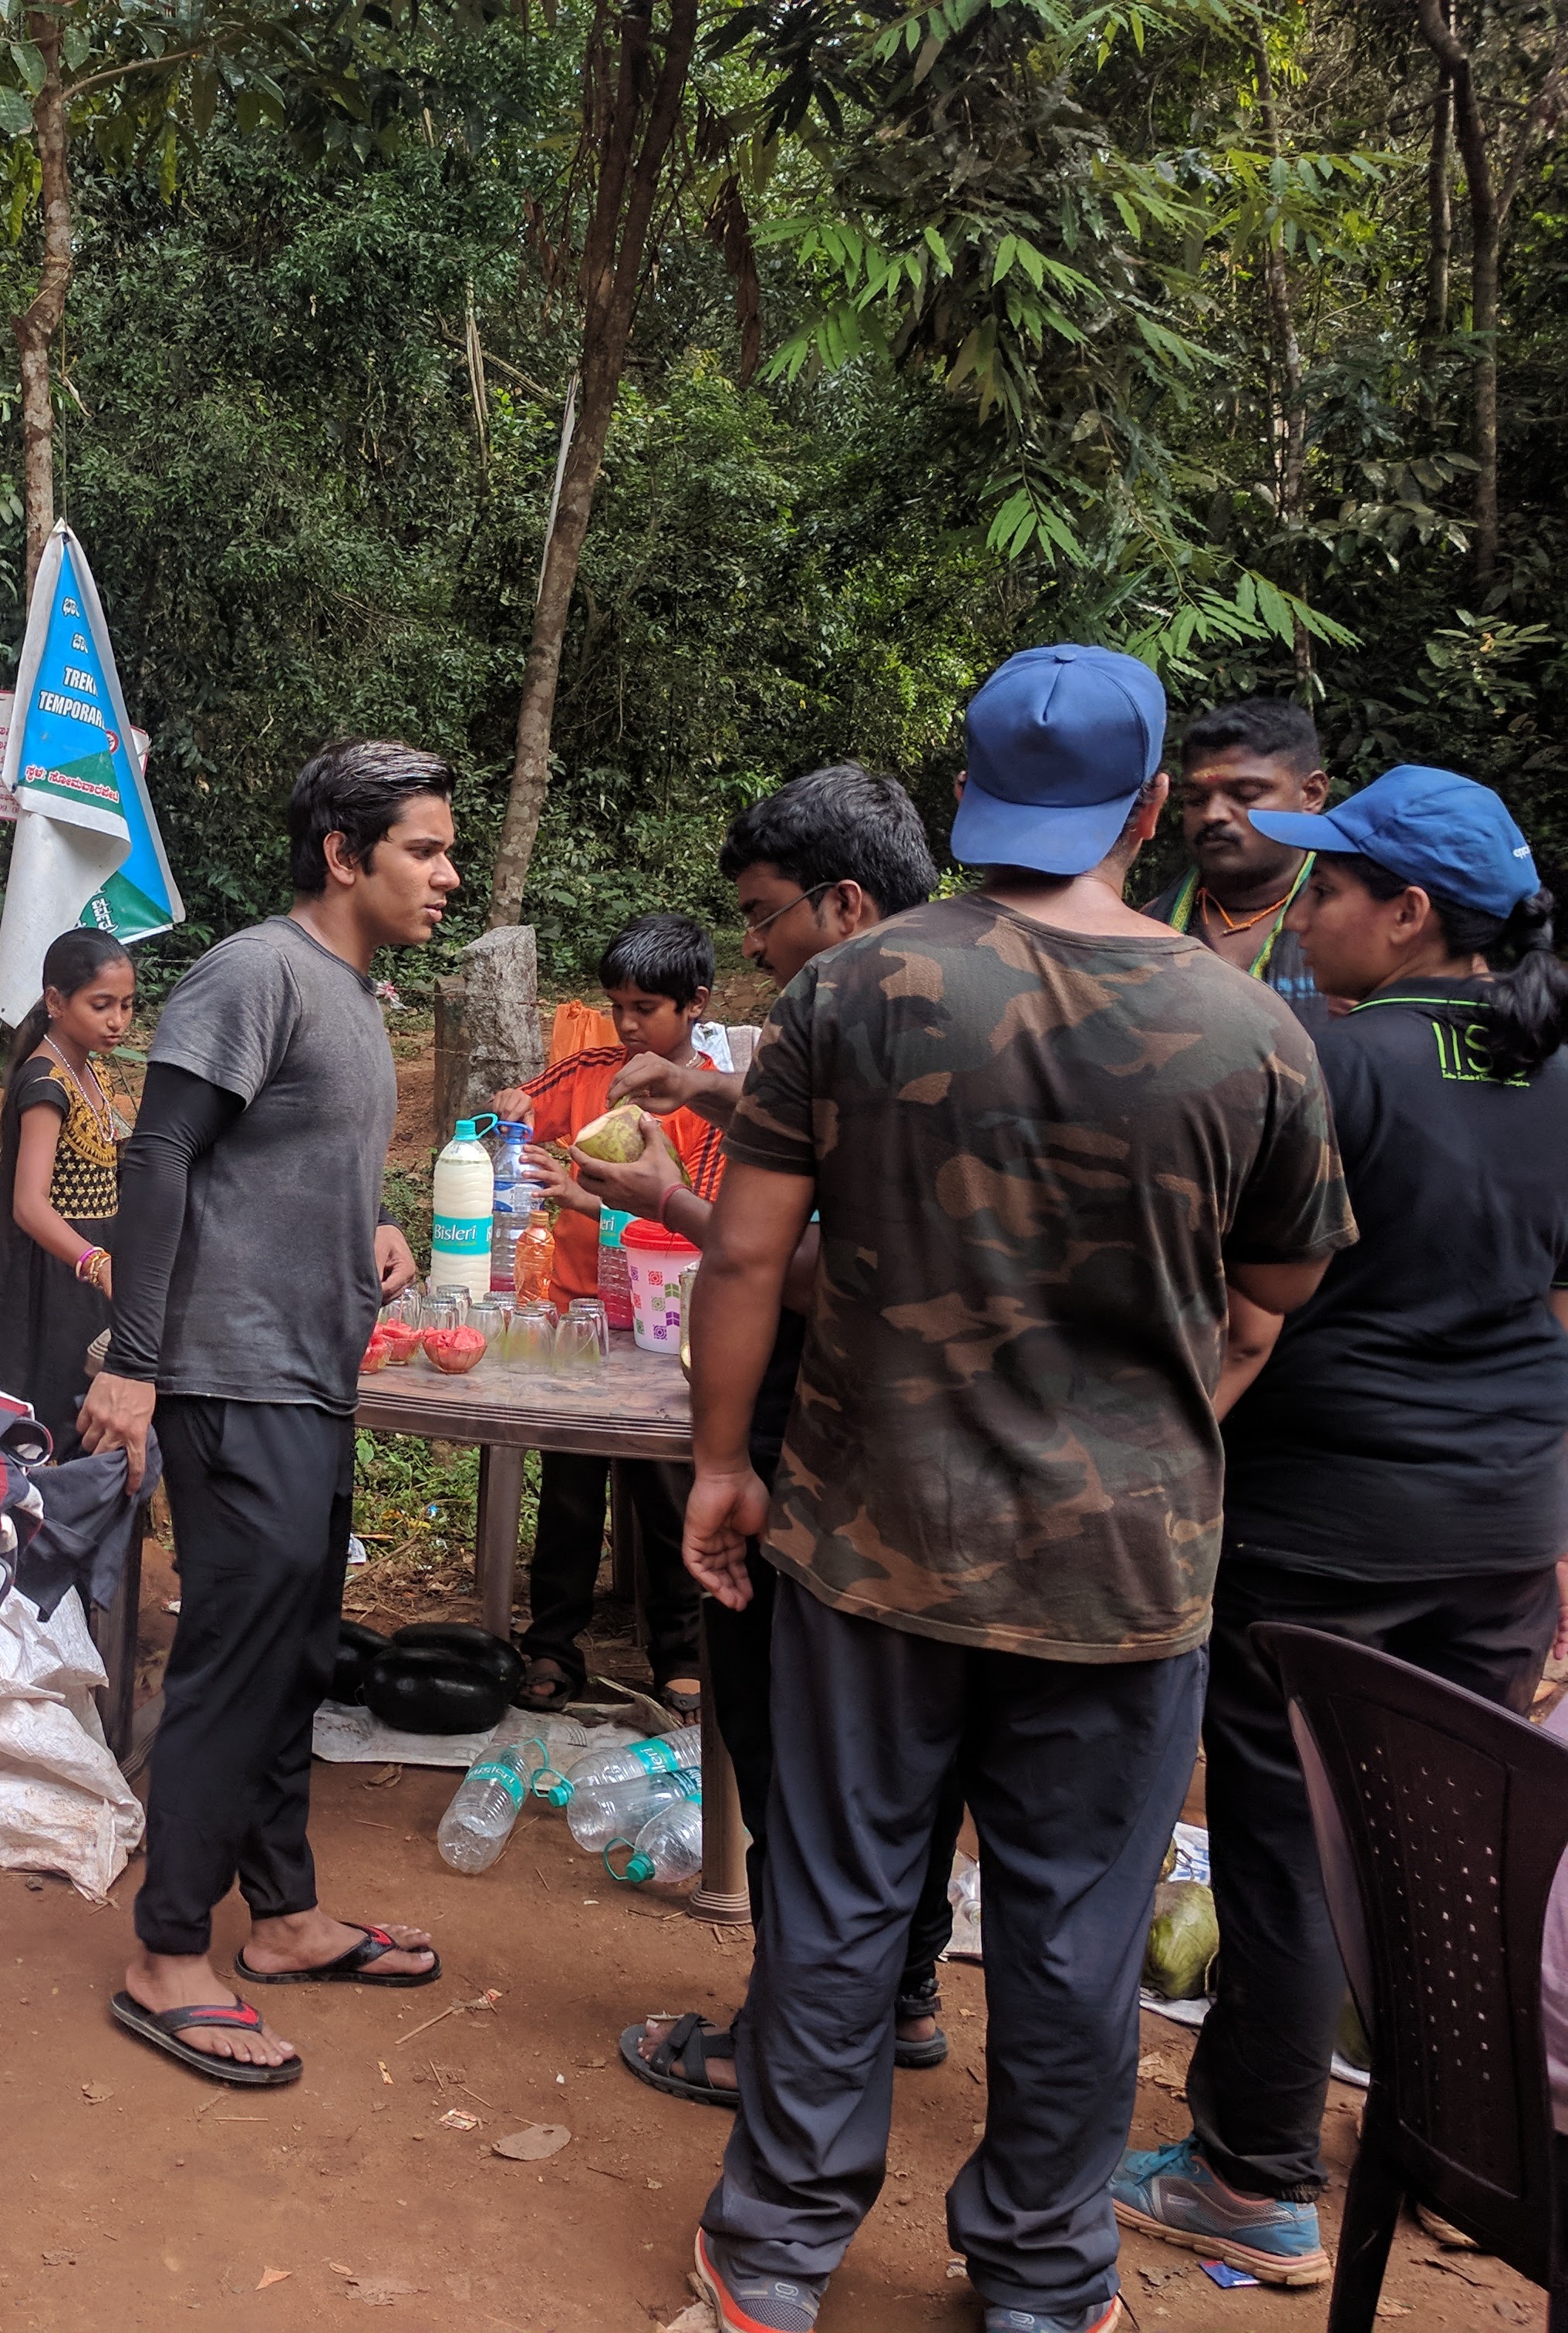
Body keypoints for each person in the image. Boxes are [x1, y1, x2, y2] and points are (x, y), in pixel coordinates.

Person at [678, 644, 1354, 2333]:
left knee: (839, 1900)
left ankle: (773, 2253)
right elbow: (1278, 1294)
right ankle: (1043, 2279)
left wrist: (716, 1468)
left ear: (969, 791)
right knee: (1071, 1936)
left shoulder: (853, 992)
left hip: (871, 1541)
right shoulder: (1253, 1032)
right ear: (1147, 810)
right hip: (1124, 1577)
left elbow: (748, 1254)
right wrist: (1158, 1419)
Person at [1111, 765, 1567, 2289]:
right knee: (1451, 1843)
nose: (1310, 914)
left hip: (1329, 1522)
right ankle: (1445, 2158)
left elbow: (1234, 1294)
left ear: (1410, 912)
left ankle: (1249, 2174)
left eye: (1336, 887)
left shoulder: (1325, 1057)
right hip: (1505, 1522)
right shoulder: (1554, 1062)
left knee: (1289, 1843)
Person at [567, 765, 963, 2111]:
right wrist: (711, 1101)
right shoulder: (978, 1005)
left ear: (843, 903)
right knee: (906, 1748)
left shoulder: (845, 1013)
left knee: (797, 1737)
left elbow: (807, 1266)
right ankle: (901, 1995)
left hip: (823, 1439)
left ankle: (790, 2034)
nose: (749, 942)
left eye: (763, 912)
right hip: (943, 1462)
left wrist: (673, 1196)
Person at [76, 739, 448, 2085]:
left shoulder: (350, 991)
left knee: (295, 1646)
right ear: (346, 854)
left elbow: (280, 1157)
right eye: (424, 848)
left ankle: (283, 1917)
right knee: (237, 1653)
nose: (445, 874)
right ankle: (168, 1949)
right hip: (228, 1371)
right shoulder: (255, 969)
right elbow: (162, 1150)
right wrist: (132, 1356)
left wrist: (381, 1222)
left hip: (308, 1364)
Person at [487, 912, 730, 1717]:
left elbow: (697, 1222)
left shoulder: (717, 1111)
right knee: (568, 1487)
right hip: (576, 1315)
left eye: (646, 1010)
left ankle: (680, 1650)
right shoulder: (592, 1071)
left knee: (669, 1487)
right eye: (617, 1006)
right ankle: (553, 1641)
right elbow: (516, 1116)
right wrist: (512, 1116)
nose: (628, 1025)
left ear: (694, 1005)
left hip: (667, 1331)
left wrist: (582, 1201)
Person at [0, 927, 137, 1453]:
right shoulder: (47, 1081)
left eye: (127, 1006)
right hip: (57, 1272)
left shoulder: (88, 1070)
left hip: (87, 1263)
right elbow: (28, 1204)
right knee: (57, 1414)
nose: (118, 1020)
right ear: (55, 1001)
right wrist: (96, 1264)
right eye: (102, 1005)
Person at [1140, 698, 1328, 1014]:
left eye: (1247, 794)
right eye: (1196, 799)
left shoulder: (1364, 923)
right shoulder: (1146, 928)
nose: (1213, 815)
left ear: (1310, 794)